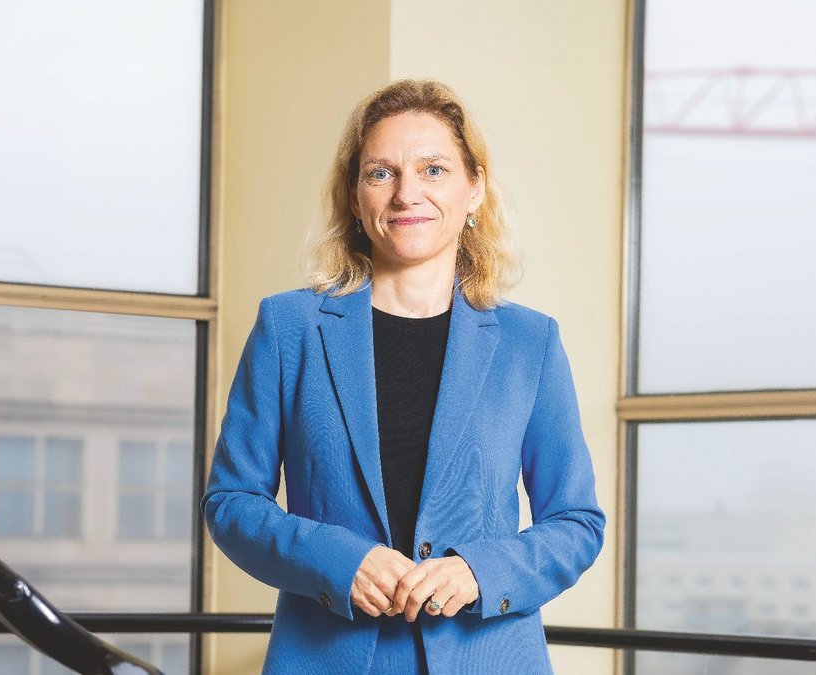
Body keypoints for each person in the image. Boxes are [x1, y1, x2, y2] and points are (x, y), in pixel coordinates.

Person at [201, 79, 605, 675]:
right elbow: (231, 502)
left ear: (475, 189)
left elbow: (577, 522)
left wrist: (479, 571)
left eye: (434, 169)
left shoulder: (530, 343)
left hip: (486, 657)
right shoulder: (289, 327)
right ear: (355, 197)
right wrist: (339, 561)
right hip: (326, 656)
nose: (406, 194)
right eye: (381, 173)